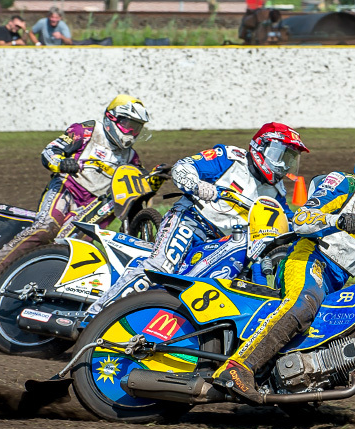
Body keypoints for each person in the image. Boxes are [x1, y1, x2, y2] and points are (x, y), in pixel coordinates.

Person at [211, 137, 355, 403]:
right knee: (304, 305)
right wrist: (339, 220)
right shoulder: (346, 184)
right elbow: (303, 218)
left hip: (335, 283)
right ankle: (237, 368)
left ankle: (295, 387)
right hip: (308, 260)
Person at [86, 122, 308, 316]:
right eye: (282, 155)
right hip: (190, 220)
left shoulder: (276, 190)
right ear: (262, 147)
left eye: (290, 159)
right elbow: (183, 166)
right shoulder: (229, 158)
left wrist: (305, 223)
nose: (284, 164)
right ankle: (95, 316)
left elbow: (283, 218)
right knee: (160, 267)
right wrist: (197, 184)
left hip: (225, 241)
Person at [0, 95, 150, 275]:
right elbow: (50, 151)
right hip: (66, 188)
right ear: (112, 118)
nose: (131, 132)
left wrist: (153, 179)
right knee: (46, 226)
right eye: (128, 125)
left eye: (136, 128)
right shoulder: (86, 131)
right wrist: (61, 163)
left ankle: (36, 279)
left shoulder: (131, 157)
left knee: (69, 245)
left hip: (93, 207)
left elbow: (134, 188)